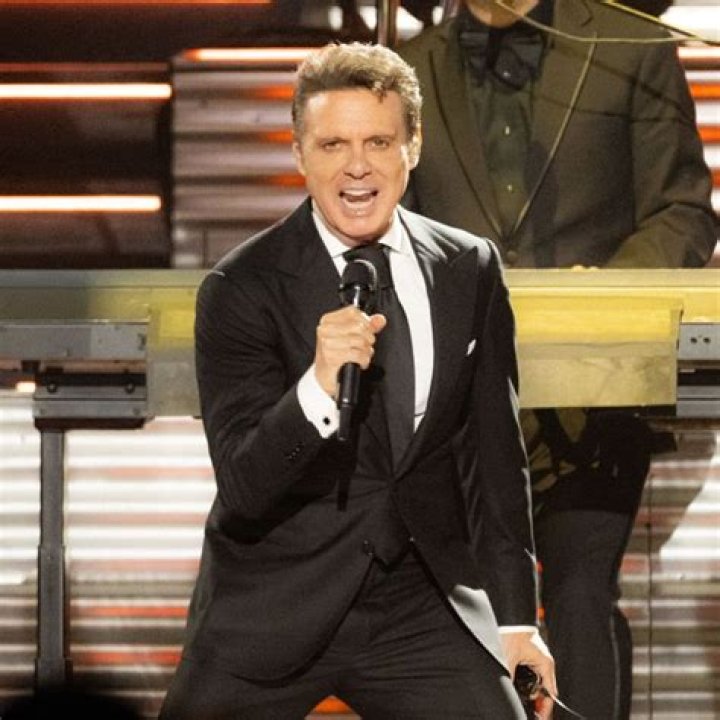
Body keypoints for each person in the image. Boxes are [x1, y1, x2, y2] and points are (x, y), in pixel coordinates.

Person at [159, 42, 556, 720]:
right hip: (274, 603)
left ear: (413, 147)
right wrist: (317, 387)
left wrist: (518, 621)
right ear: (299, 154)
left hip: (416, 604)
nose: (357, 167)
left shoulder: (468, 266)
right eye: (333, 144)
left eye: (378, 141)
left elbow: (494, 459)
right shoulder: (240, 287)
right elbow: (246, 486)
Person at [398, 1, 717, 718]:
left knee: (579, 594)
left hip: (595, 400)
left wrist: (601, 294)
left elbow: (683, 210)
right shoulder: (409, 69)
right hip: (460, 407)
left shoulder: (630, 44)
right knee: (472, 607)